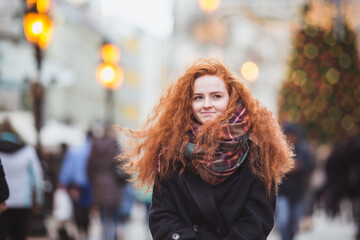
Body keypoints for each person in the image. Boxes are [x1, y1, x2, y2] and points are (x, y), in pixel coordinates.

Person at [119, 58, 294, 239]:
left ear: (231, 99)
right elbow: (163, 215)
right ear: (188, 103)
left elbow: (258, 217)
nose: (207, 104)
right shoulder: (171, 152)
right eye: (198, 97)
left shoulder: (258, 151)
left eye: (216, 96)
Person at [0, 119, 44, 240]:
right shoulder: (28, 151)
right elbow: (38, 178)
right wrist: (39, 200)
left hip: (1, 201)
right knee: (19, 234)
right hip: (22, 200)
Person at [87, 125, 127, 240]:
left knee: (103, 217)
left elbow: (89, 169)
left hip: (98, 187)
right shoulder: (115, 147)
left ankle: (105, 236)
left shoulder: (94, 147)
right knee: (114, 218)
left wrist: (94, 181)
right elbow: (124, 167)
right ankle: (113, 237)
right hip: (114, 188)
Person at [276, 123, 315, 240]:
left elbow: (311, 165)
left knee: (294, 221)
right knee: (283, 220)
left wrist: (300, 168)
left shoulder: (303, 150)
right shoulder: (279, 149)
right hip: (283, 191)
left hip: (299, 192)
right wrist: (286, 168)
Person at [57, 130, 93, 240]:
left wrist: (62, 181)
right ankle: (86, 232)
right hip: (90, 184)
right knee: (87, 209)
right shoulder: (93, 151)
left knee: (77, 209)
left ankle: (80, 232)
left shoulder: (75, 150)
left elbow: (67, 168)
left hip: (76, 184)